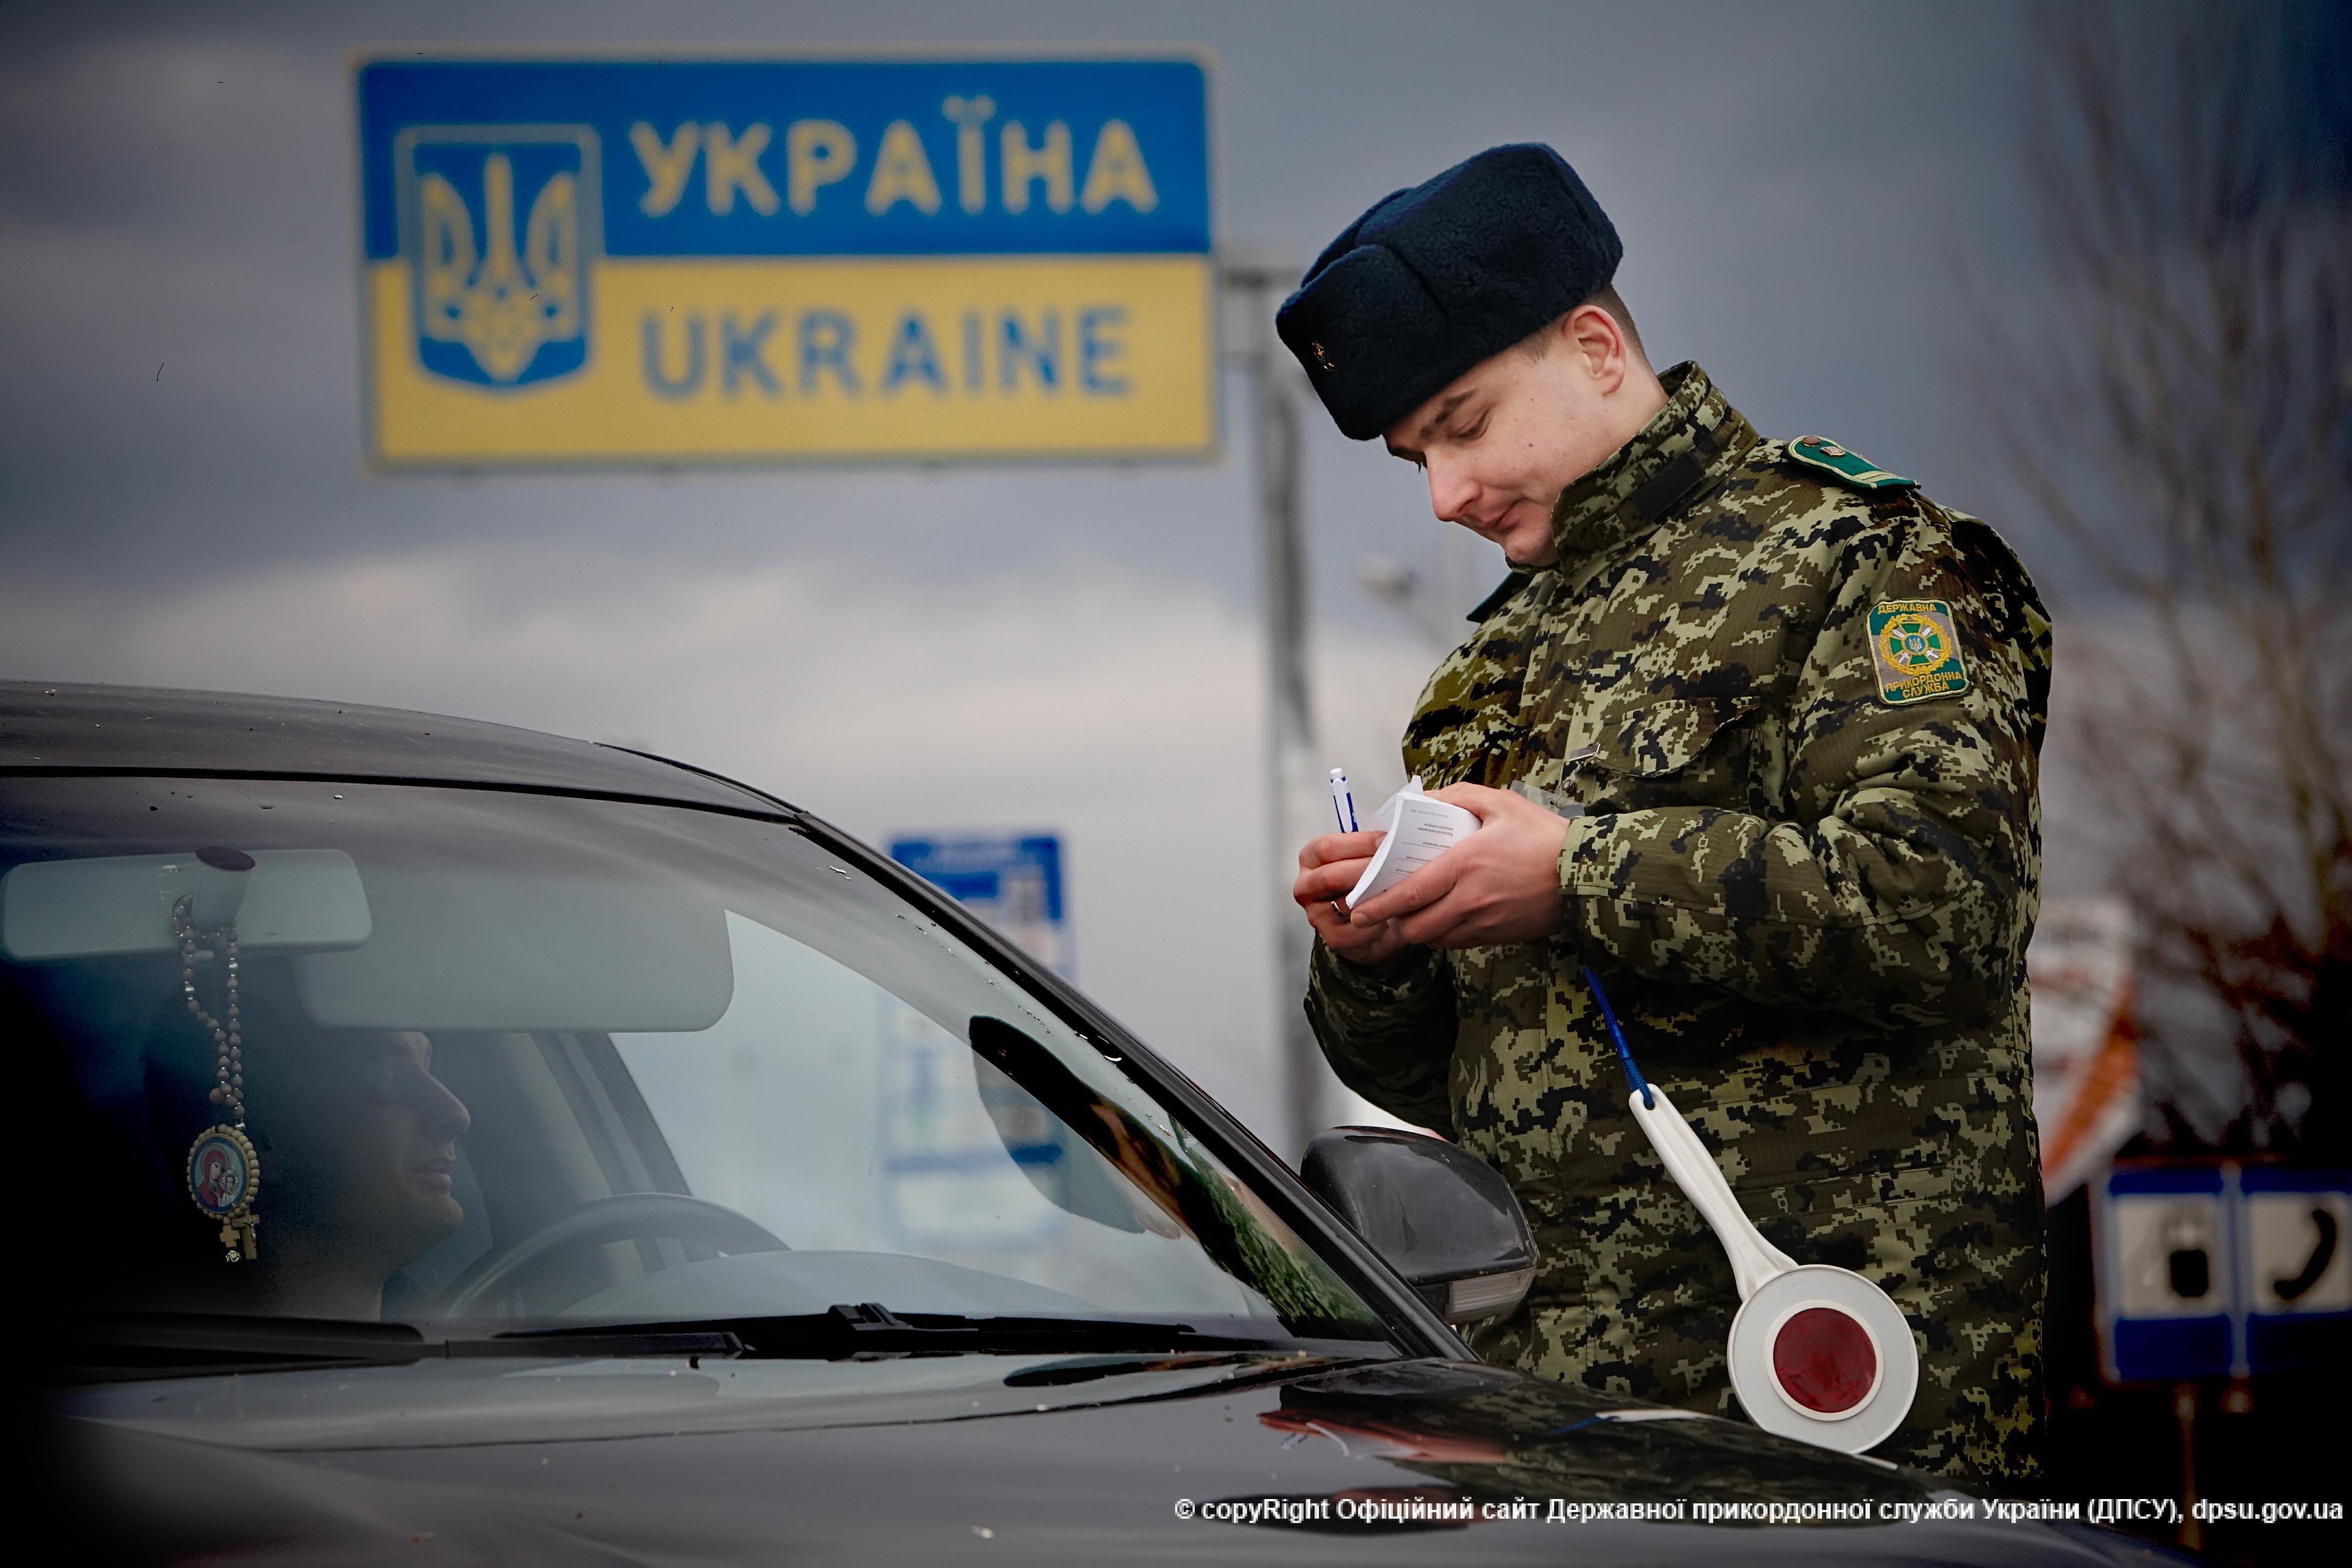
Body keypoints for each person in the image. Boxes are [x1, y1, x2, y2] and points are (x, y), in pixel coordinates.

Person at [1279, 144, 2050, 1483]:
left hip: (1826, 1409)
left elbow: (1946, 906)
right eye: (1415, 459)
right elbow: (1456, 1086)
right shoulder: (1483, 668)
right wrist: (1378, 960)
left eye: (1460, 424)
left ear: (1593, 346)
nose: (1446, 495)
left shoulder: (1865, 557)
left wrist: (1577, 874)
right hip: (1552, 1421)